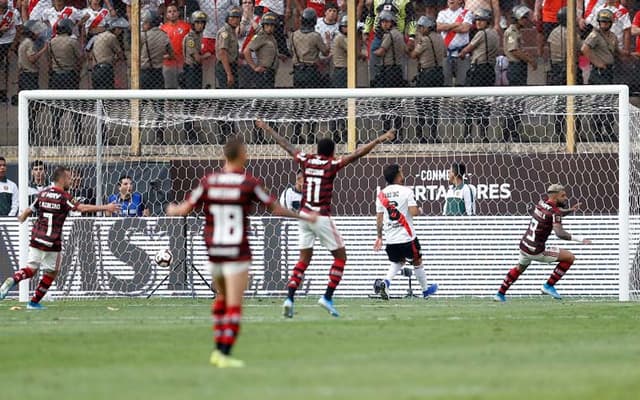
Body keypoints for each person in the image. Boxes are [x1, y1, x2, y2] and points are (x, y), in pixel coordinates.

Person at [166, 137, 316, 368]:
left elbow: (184, 209)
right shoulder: (249, 183)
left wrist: (172, 209)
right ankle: (222, 352)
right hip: (237, 251)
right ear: (241, 155)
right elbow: (275, 209)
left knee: (221, 298)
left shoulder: (209, 181)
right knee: (234, 303)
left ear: (225, 155)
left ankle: (219, 349)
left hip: (214, 250)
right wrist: (304, 216)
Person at [255, 119, 396, 318]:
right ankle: (327, 297)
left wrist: (267, 128)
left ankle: (289, 298)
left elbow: (287, 145)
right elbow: (357, 153)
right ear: (331, 152)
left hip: (304, 215)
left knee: (303, 259)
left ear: (317, 149)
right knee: (340, 257)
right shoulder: (332, 164)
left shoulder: (306, 160)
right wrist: (380, 139)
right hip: (320, 217)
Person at [0, 166, 120, 308]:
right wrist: (106, 207)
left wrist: (21, 218)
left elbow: (28, 210)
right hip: (52, 241)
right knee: (52, 272)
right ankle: (33, 303)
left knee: (31, 269)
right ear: (62, 179)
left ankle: (13, 280)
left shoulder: (43, 193)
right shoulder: (64, 196)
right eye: (69, 178)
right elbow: (82, 208)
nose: (71, 180)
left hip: (36, 238)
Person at [494, 184, 591, 302]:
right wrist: (580, 239)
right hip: (537, 251)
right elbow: (559, 233)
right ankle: (548, 286)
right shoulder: (555, 213)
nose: (566, 198)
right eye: (563, 196)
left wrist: (570, 210)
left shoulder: (541, 203)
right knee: (569, 257)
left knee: (519, 268)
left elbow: (555, 212)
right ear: (555, 197)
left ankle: (500, 294)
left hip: (524, 245)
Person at [373, 164, 439, 300]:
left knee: (398, 262)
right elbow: (414, 212)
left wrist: (379, 237)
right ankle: (426, 291)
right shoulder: (406, 191)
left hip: (391, 239)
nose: (403, 175)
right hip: (407, 237)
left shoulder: (381, 195)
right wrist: (420, 210)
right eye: (401, 172)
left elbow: (379, 217)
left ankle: (385, 283)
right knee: (417, 261)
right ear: (397, 175)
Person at [459, 8, 499, 142]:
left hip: (478, 70)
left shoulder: (481, 34)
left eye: (481, 20)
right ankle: (484, 135)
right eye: (476, 20)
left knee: (470, 102)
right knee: (485, 103)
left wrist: (462, 53)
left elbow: (468, 49)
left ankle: (467, 134)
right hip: (489, 70)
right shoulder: (495, 33)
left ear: (487, 21)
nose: (478, 23)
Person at [503, 5, 536, 142]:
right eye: (523, 18)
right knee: (515, 103)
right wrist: (530, 60)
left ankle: (512, 132)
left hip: (519, 68)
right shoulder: (512, 31)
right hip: (515, 68)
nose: (526, 20)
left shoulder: (517, 31)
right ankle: (511, 134)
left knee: (518, 102)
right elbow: (514, 50)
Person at [411, 15, 445, 143]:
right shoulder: (440, 38)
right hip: (439, 73)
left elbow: (414, 55)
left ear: (427, 27)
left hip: (427, 74)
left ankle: (420, 136)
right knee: (434, 106)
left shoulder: (424, 40)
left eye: (421, 27)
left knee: (421, 105)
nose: (419, 29)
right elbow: (445, 53)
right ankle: (434, 135)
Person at [49, 18, 83, 144]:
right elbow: (80, 57)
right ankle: (78, 138)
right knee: (74, 108)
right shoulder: (72, 42)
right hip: (70, 76)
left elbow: (49, 60)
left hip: (56, 77)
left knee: (56, 110)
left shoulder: (52, 42)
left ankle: (56, 138)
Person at [182, 10, 207, 143]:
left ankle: (192, 134)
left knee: (195, 104)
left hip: (196, 71)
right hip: (191, 71)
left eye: (202, 23)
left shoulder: (198, 37)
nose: (200, 25)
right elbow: (196, 58)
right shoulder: (191, 38)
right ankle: (189, 135)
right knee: (190, 104)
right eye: (197, 23)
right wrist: (206, 56)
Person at [436, 0, 473, 86]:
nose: (450, 0)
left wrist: (446, 27)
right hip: (446, 54)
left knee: (462, 83)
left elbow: (465, 28)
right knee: (446, 84)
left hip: (461, 54)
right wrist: (455, 25)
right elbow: (438, 27)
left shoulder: (467, 13)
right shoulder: (442, 13)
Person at [89, 16, 128, 90]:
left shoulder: (99, 36)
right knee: (108, 92)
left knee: (98, 93)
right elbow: (120, 54)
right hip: (105, 70)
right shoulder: (112, 37)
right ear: (114, 28)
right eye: (119, 29)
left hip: (95, 68)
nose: (120, 31)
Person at [243, 11, 279, 89]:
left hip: (270, 73)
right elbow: (246, 51)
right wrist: (254, 67)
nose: (269, 28)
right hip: (263, 73)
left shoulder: (271, 37)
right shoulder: (260, 36)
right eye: (267, 25)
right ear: (263, 25)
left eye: (272, 25)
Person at [160, 3, 191, 89]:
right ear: (166, 14)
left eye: (174, 11)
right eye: (169, 11)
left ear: (178, 13)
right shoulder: (163, 28)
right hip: (168, 63)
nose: (172, 13)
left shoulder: (186, 27)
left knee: (184, 89)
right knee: (169, 90)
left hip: (183, 63)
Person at [0, 0, 21, 103]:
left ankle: (14, 93)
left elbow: (19, 29)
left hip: (11, 42)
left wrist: (12, 47)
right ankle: (2, 92)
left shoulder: (14, 13)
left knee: (13, 68)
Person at [216, 5, 241, 89]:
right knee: (227, 94)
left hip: (232, 66)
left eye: (238, 18)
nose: (236, 20)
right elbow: (223, 53)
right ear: (227, 18)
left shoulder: (232, 31)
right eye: (233, 17)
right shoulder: (225, 32)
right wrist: (229, 74)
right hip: (225, 67)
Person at [331, 14, 347, 88]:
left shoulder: (344, 37)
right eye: (345, 26)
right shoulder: (341, 37)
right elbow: (353, 51)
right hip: (341, 69)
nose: (347, 28)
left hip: (343, 69)